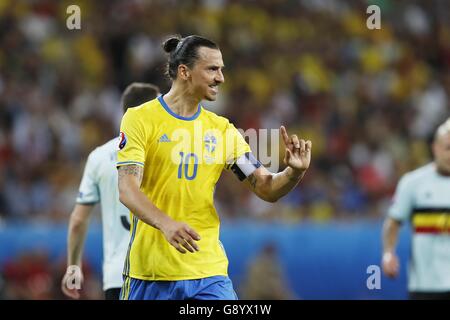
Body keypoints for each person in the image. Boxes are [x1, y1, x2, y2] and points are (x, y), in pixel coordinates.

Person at [117, 34, 312, 300]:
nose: (220, 78)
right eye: (212, 69)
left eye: (221, 69)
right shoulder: (140, 119)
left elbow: (265, 187)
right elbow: (127, 190)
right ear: (184, 71)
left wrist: (293, 172)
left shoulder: (222, 131)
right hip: (150, 274)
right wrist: (166, 224)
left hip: (207, 274)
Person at [61, 83, 160, 300]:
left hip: (118, 276)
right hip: (162, 273)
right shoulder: (167, 153)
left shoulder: (98, 157)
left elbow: (78, 220)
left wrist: (73, 267)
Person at [382, 118, 450, 300]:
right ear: (435, 147)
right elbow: (394, 221)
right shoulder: (413, 183)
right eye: (448, 148)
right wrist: (388, 253)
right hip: (425, 286)